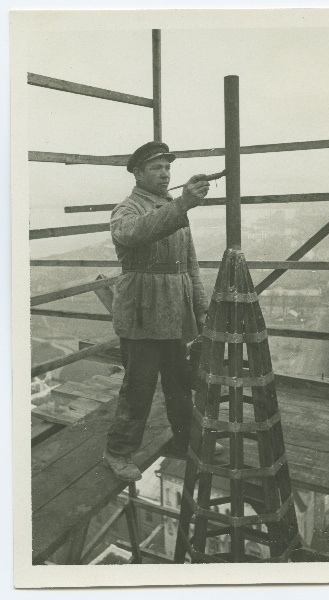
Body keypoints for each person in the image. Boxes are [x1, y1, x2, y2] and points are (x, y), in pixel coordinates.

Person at [103, 141, 222, 482]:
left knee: (179, 383)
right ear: (138, 173)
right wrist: (184, 202)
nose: (165, 172)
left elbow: (190, 265)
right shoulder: (125, 210)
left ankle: (186, 443)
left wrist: (200, 310)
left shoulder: (173, 207)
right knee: (138, 387)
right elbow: (137, 233)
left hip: (174, 312)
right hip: (141, 312)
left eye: (167, 166)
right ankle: (118, 451)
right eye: (156, 167)